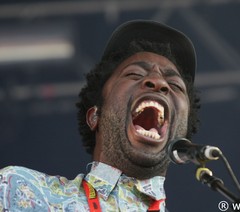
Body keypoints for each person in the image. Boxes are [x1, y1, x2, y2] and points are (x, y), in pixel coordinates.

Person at [0, 20, 200, 211]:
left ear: (181, 135)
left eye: (174, 85)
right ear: (95, 116)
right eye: (135, 74)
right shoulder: (18, 190)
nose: (158, 82)